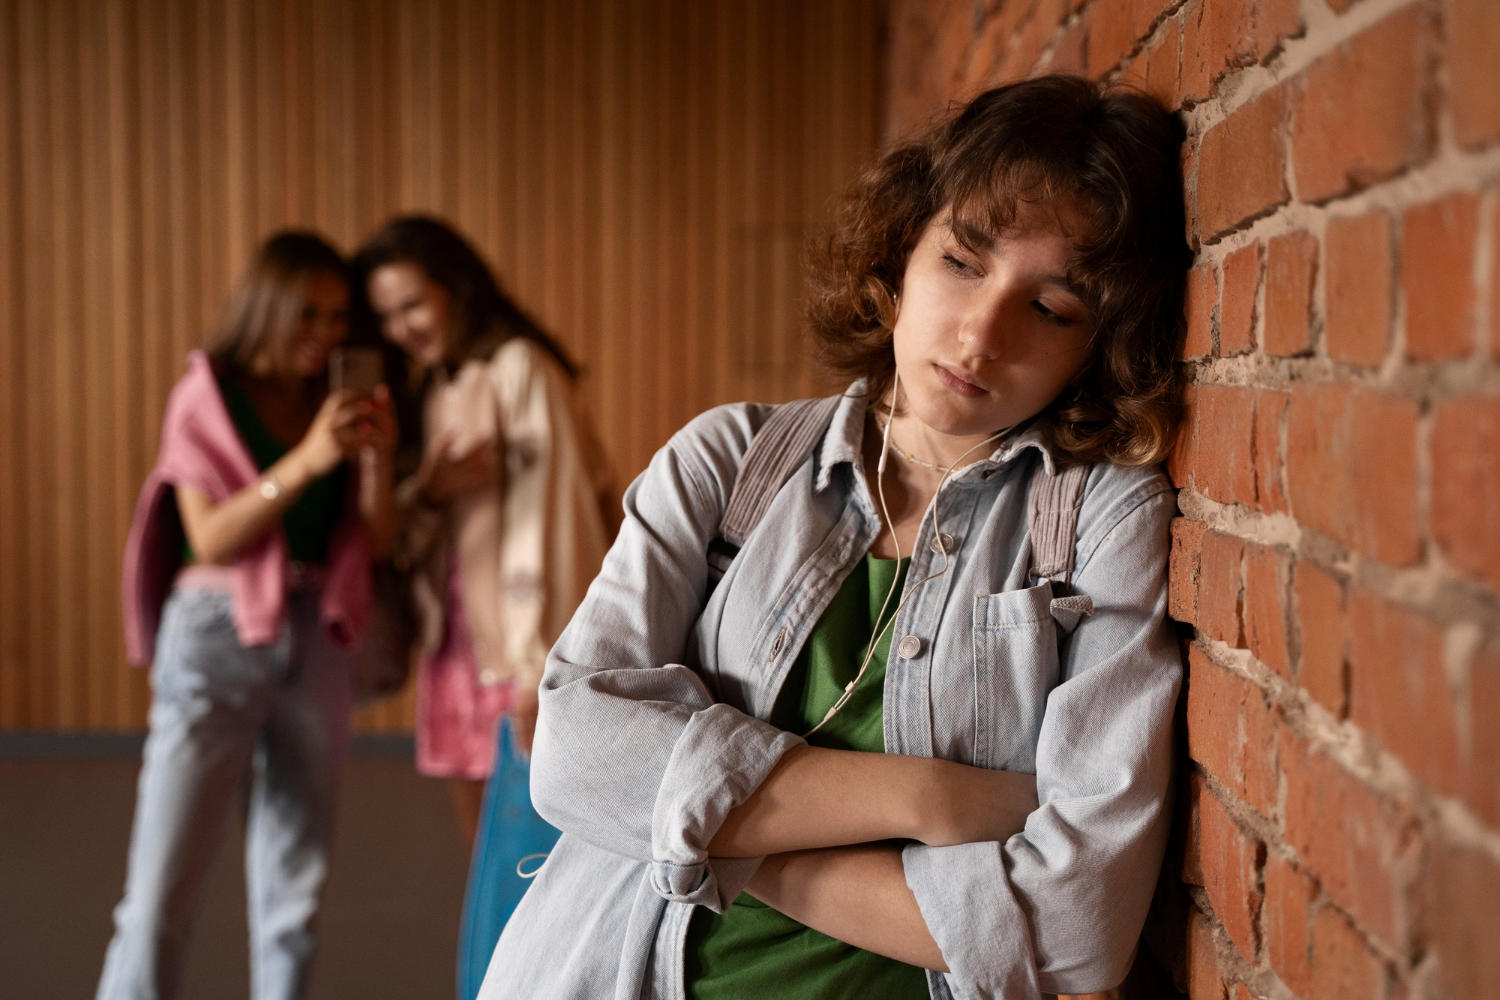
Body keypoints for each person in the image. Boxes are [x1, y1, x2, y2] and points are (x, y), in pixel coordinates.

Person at [477, 74, 1191, 1000]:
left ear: (1097, 343)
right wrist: (929, 800)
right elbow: (573, 755)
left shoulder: (1098, 522)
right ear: (899, 260)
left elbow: (1075, 933)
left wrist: (702, 834)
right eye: (963, 263)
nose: (980, 334)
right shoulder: (728, 461)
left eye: (1050, 309)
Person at [101, 230, 396, 1000]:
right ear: (265, 307)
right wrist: (307, 460)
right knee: (161, 890)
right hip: (214, 630)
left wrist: (376, 460)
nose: (326, 335)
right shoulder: (207, 395)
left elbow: (374, 539)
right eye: (308, 315)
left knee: (294, 892)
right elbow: (211, 536)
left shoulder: (330, 400)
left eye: (338, 320)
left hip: (318, 634)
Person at [352, 215, 618, 998]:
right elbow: (410, 535)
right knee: (491, 858)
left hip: (521, 652)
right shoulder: (439, 384)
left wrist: (544, 670)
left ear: (455, 287)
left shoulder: (522, 369)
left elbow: (557, 528)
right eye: (388, 314)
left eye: (413, 305)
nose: (402, 328)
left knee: (546, 860)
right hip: (456, 644)